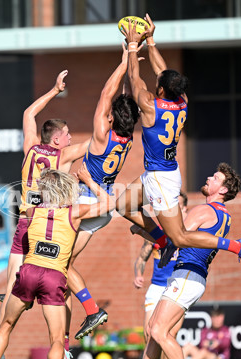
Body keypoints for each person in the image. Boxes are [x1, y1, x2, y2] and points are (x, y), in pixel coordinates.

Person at [117, 14, 241, 273]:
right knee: (122, 205)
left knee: (180, 237)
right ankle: (161, 239)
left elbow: (135, 77)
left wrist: (133, 45)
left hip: (161, 178)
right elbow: (163, 73)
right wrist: (151, 40)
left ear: (160, 90)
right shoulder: (182, 102)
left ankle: (238, 246)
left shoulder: (149, 106)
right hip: (160, 172)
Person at [108, 162, 240, 359]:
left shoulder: (204, 210)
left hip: (187, 274)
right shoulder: (224, 215)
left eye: (216, 178)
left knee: (158, 330)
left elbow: (175, 237)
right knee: (154, 329)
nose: (210, 177)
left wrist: (144, 226)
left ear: (223, 190)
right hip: (191, 276)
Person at [0, 70, 91, 359]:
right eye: (67, 134)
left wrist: (54, 90)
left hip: (25, 225)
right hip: (54, 224)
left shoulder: (30, 148)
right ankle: (64, 346)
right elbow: (97, 142)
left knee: (10, 287)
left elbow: (28, 112)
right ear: (58, 138)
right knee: (61, 283)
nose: (70, 137)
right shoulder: (64, 156)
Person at [0, 166, 115, 359]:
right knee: (56, 338)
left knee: (6, 324)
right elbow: (109, 203)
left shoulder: (31, 212)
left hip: (28, 272)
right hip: (54, 276)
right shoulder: (74, 212)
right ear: (65, 189)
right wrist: (88, 181)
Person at [68, 44, 140, 340]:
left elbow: (105, 94)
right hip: (102, 210)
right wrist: (130, 58)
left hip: (88, 201)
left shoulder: (101, 135)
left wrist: (124, 60)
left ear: (111, 119)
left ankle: (89, 309)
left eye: (109, 114)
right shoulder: (128, 140)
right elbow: (118, 100)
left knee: (55, 259)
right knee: (64, 264)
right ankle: (90, 310)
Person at [130, 193, 189, 359]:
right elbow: (140, 259)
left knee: (168, 333)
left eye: (178, 206)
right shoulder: (158, 233)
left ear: (185, 209)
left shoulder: (189, 233)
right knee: (150, 333)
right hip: (156, 287)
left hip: (177, 288)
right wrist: (138, 274)